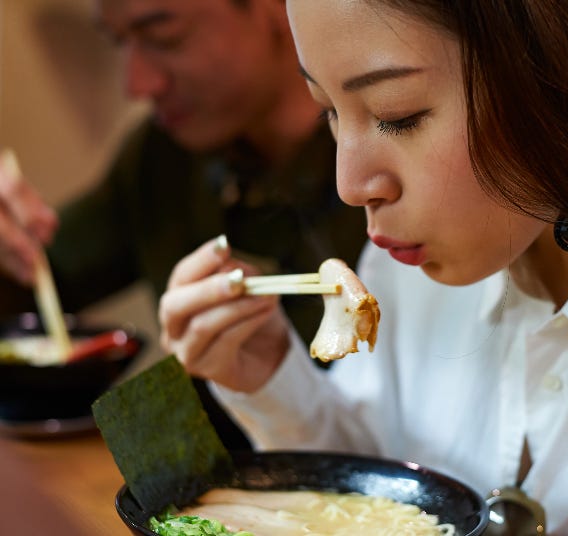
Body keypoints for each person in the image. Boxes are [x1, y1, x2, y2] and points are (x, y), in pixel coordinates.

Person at [158, 0, 568, 533]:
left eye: (398, 113)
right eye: (330, 112)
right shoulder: (407, 270)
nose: (350, 184)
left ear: (562, 72)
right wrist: (270, 378)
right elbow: (384, 487)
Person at [0, 0, 367, 447]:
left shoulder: (384, 177)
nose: (137, 84)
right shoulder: (163, 158)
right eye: (121, 43)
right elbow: (35, 286)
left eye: (163, 36)